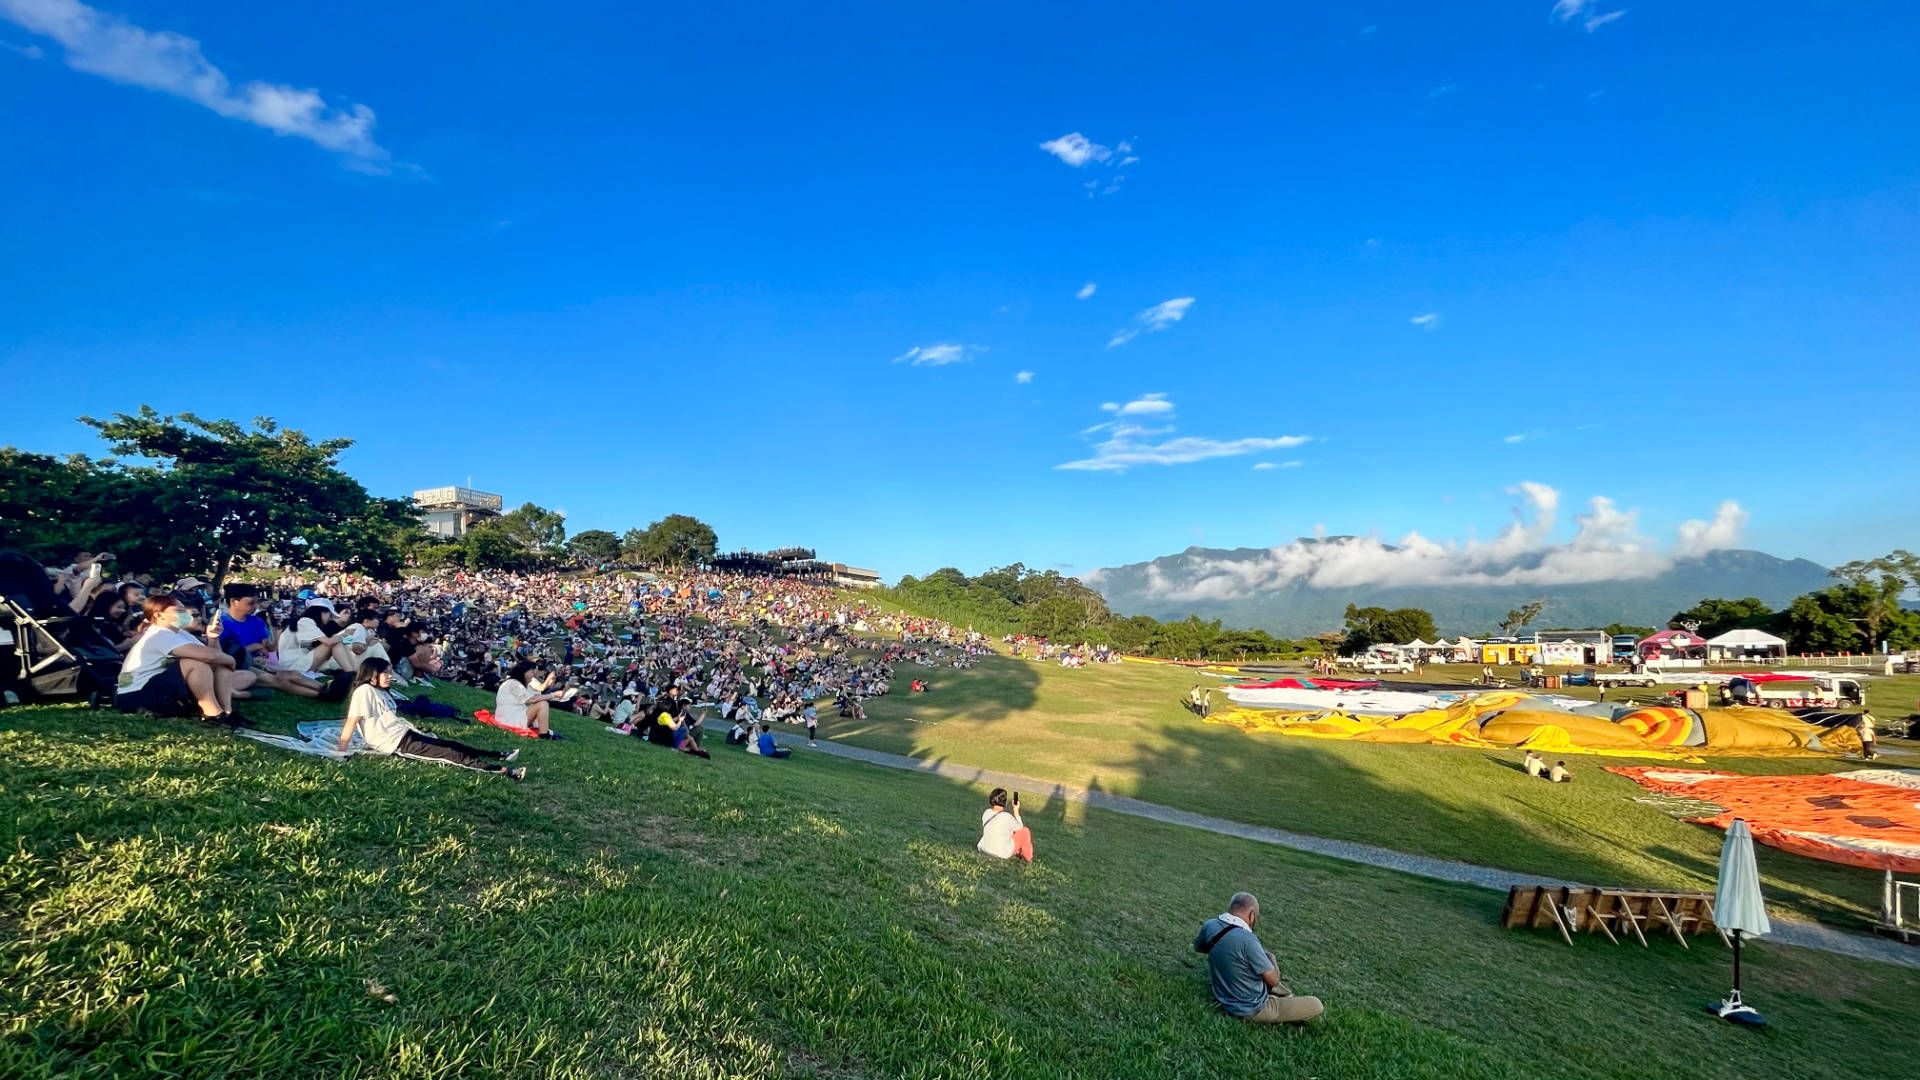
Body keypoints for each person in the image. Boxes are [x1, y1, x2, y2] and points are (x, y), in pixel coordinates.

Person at [337, 659, 525, 780]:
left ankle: (499, 754)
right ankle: (501, 770)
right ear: (372, 674)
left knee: (452, 744)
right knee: (449, 754)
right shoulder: (364, 692)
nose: (390, 676)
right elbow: (351, 722)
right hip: (395, 743)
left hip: (403, 733)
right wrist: (341, 752)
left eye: (390, 672)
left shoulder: (379, 691)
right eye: (386, 672)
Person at [1192, 892, 1323, 1025]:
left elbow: (1199, 947)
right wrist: (1273, 960)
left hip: (1222, 994)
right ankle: (1284, 999)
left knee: (1258, 969)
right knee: (1316, 1004)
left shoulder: (1210, 925)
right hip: (1251, 1008)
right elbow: (1273, 980)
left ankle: (1286, 995)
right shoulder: (1248, 940)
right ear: (1252, 915)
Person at [114, 594, 245, 727]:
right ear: (159, 615)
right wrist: (231, 660)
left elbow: (214, 656)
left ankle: (227, 712)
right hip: (136, 695)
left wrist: (213, 638)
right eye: (179, 611)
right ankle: (211, 713)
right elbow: (210, 656)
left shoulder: (181, 634)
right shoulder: (159, 634)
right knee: (194, 663)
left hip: (160, 689)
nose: (185, 615)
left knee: (220, 666)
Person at [495, 660, 562, 737]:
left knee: (541, 703)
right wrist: (553, 695)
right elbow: (532, 699)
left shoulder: (516, 683)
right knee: (542, 704)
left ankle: (544, 731)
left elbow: (535, 696)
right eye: (532, 672)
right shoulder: (513, 683)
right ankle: (544, 734)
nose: (533, 676)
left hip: (509, 716)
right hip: (509, 718)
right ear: (523, 672)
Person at [977, 787, 1033, 862]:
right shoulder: (1006, 816)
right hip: (1001, 853)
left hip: (984, 848)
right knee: (1025, 831)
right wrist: (1016, 810)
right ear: (1005, 802)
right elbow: (1020, 828)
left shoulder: (986, 812)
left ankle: (1019, 851)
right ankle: (1028, 857)